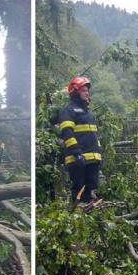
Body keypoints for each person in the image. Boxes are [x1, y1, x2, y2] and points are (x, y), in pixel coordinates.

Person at [56, 76, 102, 205]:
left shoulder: (89, 113)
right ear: (75, 91)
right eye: (83, 90)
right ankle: (78, 215)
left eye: (88, 90)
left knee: (92, 189)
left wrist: (99, 154)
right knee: (79, 190)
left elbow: (94, 135)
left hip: (92, 159)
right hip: (77, 159)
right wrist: (77, 154)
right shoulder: (69, 110)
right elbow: (67, 133)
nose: (87, 93)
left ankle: (89, 216)